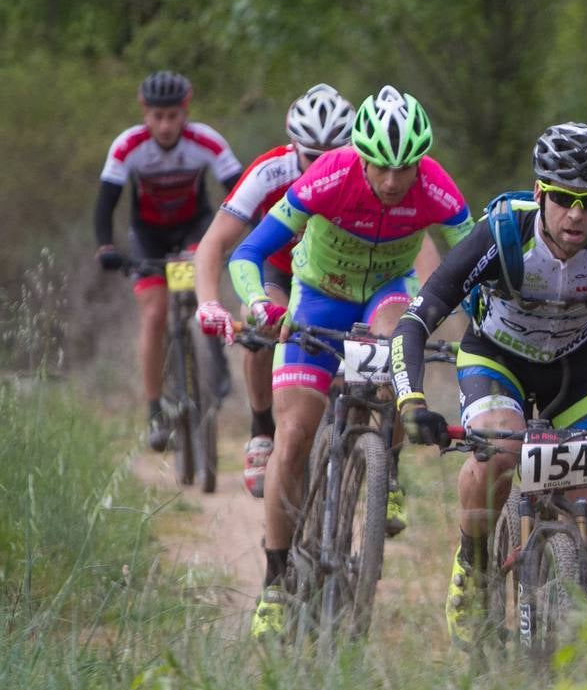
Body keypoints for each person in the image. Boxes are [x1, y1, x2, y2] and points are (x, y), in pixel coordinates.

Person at [391, 122, 587, 646]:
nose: (576, 214)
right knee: (499, 452)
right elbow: (416, 322)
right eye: (562, 198)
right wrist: (410, 398)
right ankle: (473, 559)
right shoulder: (502, 233)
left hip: (575, 369)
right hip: (497, 359)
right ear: (540, 194)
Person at [220, 85, 475, 639]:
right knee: (293, 436)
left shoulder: (435, 187)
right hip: (317, 296)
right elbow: (248, 252)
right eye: (379, 166)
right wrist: (265, 304)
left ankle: (388, 466)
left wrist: (486, 322)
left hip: (387, 290)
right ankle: (275, 582)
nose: (390, 181)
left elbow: (475, 262)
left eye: (403, 168)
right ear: (360, 155)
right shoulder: (329, 176)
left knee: (396, 340)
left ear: (420, 163)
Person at [193, 83, 356, 498]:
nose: (321, 168)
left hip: (343, 276)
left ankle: (377, 467)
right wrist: (208, 303)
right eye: (311, 159)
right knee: (261, 324)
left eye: (331, 158)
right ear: (292, 144)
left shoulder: (370, 174)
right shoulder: (271, 171)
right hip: (281, 271)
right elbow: (214, 243)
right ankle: (262, 427)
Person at [94, 70, 244, 450]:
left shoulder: (205, 142)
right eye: (157, 116)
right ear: (144, 111)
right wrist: (106, 248)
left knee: (201, 287)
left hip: (195, 230)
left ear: (185, 110)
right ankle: (154, 412)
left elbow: (241, 191)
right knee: (155, 314)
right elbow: (105, 204)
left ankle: (213, 360)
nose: (164, 125)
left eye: (172, 116)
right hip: (148, 236)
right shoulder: (128, 146)